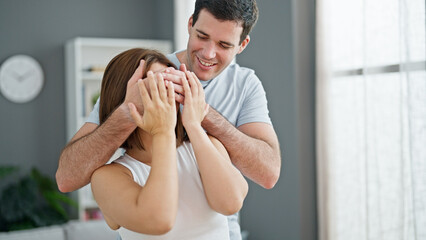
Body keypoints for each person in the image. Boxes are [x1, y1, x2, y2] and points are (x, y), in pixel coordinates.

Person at [56, 0, 281, 239]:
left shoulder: (244, 85)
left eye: (224, 44)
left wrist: (200, 116)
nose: (208, 53)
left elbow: (265, 176)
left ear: (241, 45)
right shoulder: (137, 75)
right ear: (190, 24)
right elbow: (67, 178)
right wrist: (128, 111)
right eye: (202, 36)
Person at [91, 48, 248, 240]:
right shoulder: (107, 178)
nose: (168, 92)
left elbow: (231, 203)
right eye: (156, 86)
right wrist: (162, 131)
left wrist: (194, 126)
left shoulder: (207, 145)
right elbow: (159, 220)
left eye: (173, 82)